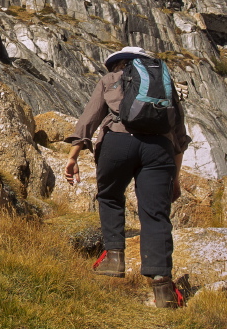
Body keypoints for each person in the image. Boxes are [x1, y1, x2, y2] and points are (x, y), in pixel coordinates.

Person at [64, 46, 191, 308]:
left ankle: (114, 258)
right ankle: (163, 288)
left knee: (110, 196)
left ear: (119, 64)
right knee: (155, 214)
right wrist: (175, 178)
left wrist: (73, 156)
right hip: (159, 150)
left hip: (118, 144)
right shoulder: (164, 85)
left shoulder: (110, 80)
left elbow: (89, 120)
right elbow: (179, 137)